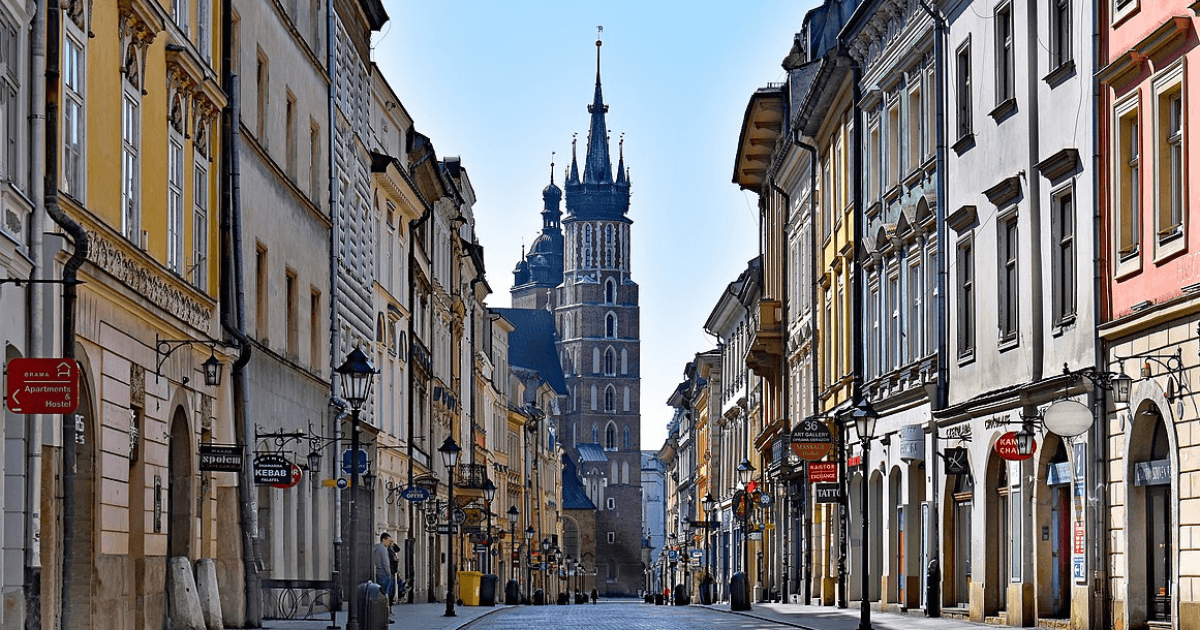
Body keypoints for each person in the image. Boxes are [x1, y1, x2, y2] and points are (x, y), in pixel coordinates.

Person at [373, 532, 396, 620]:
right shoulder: (383, 549)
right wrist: (389, 573)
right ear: (383, 540)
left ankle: (381, 615)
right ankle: (385, 617)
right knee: (385, 596)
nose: (390, 542)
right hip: (385, 574)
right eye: (388, 540)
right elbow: (385, 563)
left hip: (379, 573)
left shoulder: (376, 548)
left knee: (380, 595)